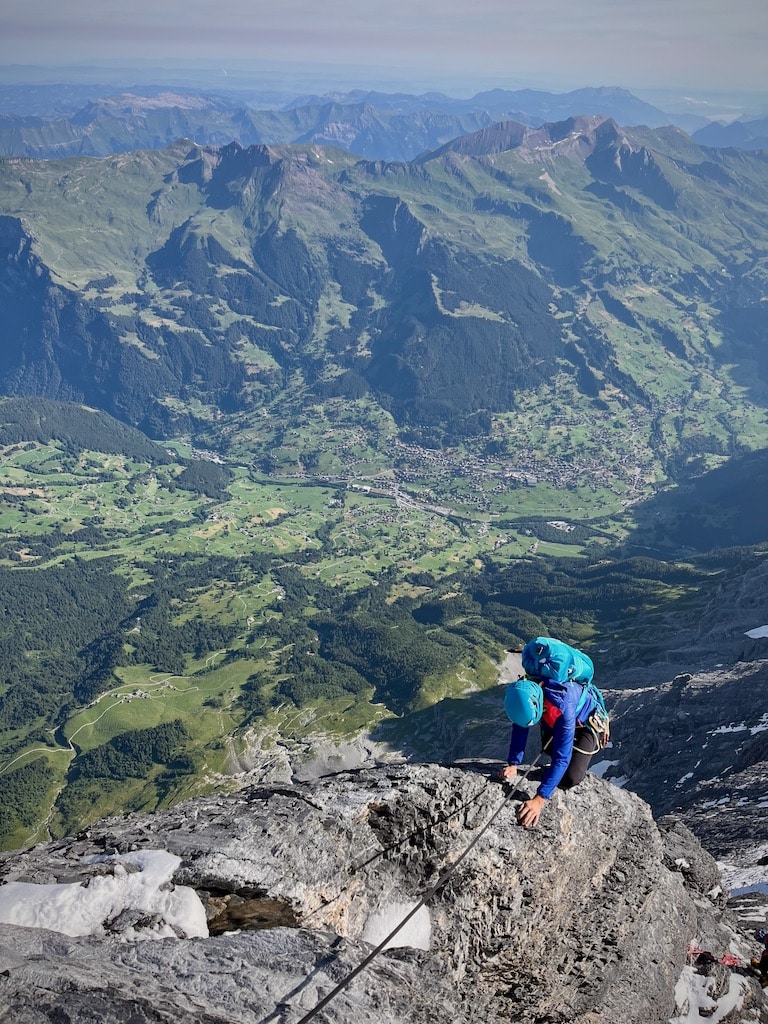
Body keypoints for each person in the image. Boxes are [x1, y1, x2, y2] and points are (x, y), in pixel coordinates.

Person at [499, 638, 602, 827]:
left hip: (584, 723)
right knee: (549, 750)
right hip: (554, 715)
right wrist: (513, 764)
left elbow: (562, 758)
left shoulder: (563, 705)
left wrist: (539, 799)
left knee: (571, 778)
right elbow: (520, 727)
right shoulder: (526, 690)